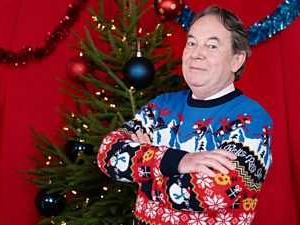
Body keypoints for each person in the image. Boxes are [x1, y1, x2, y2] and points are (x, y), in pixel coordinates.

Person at [97, 5, 272, 225]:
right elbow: (108, 154)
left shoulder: (251, 119)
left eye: (212, 45)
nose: (196, 54)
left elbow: (214, 192)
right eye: (191, 43)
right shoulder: (161, 107)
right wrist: (179, 161)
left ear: (236, 61)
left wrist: (144, 173)